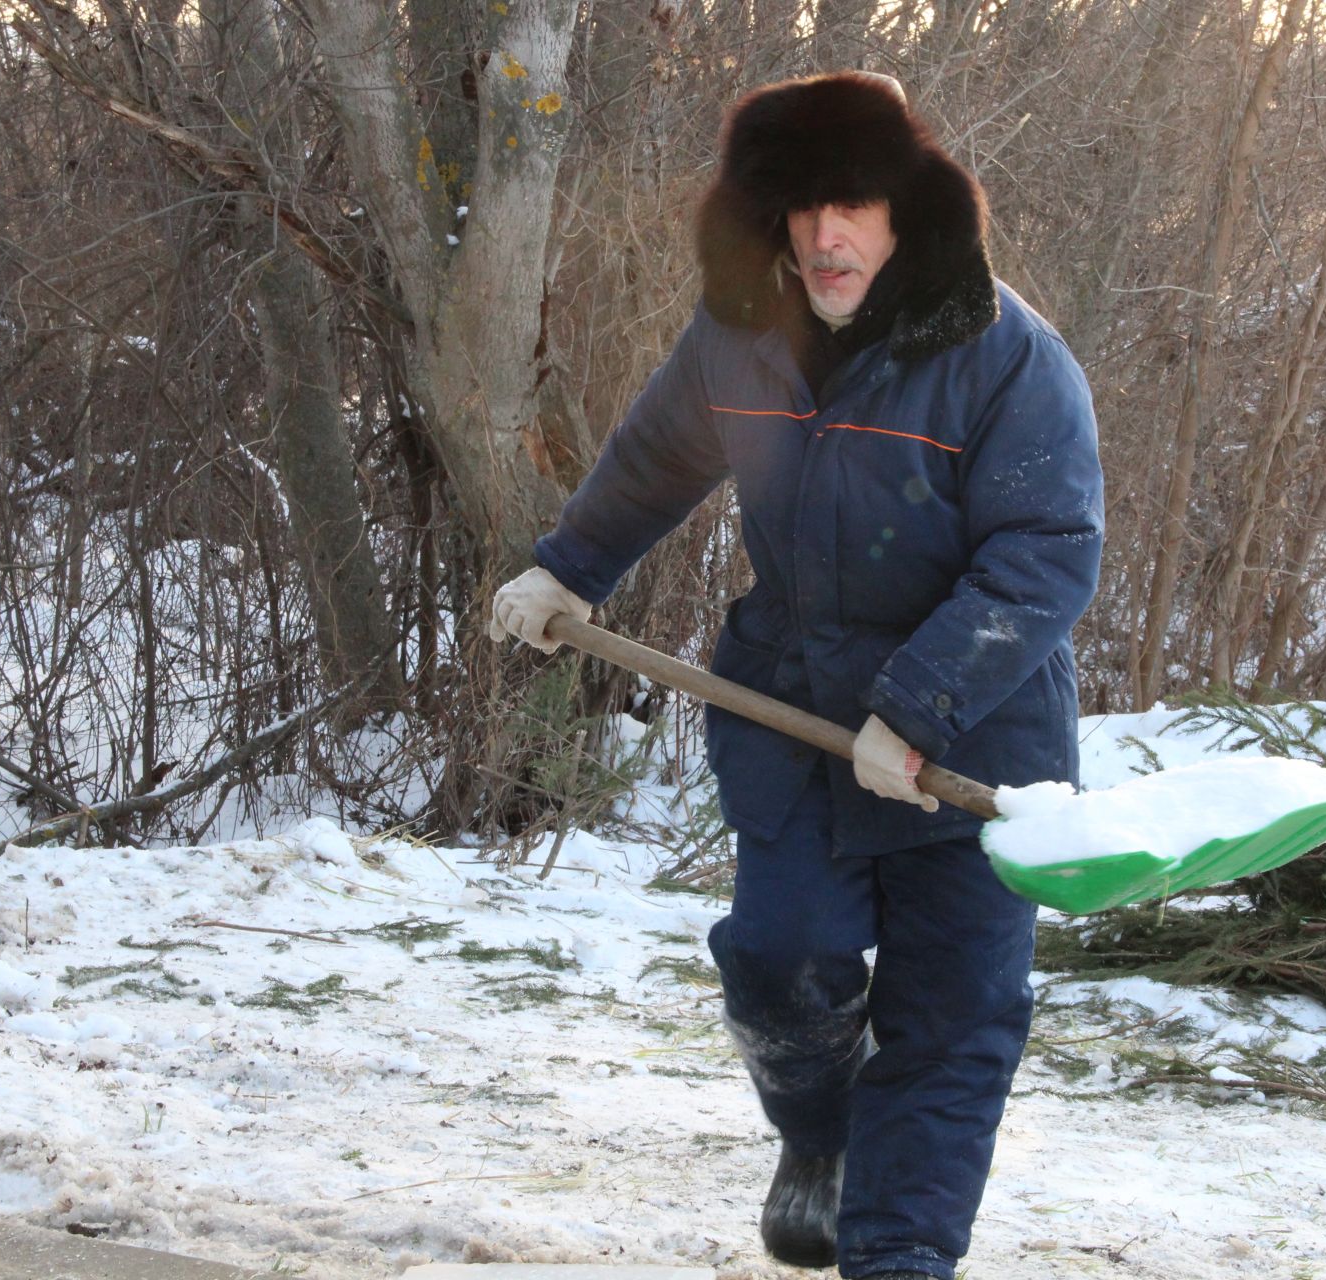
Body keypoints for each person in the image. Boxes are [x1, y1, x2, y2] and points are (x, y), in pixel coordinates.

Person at [489, 71, 1103, 1280]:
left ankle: (900, 1255)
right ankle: (819, 1133)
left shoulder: (1006, 357)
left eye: (856, 204)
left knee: (952, 1022)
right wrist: (571, 568)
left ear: (907, 211)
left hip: (976, 730)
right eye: (804, 207)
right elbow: (660, 451)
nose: (829, 234)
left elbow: (1045, 557)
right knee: (780, 961)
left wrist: (916, 709)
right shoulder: (745, 331)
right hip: (791, 710)